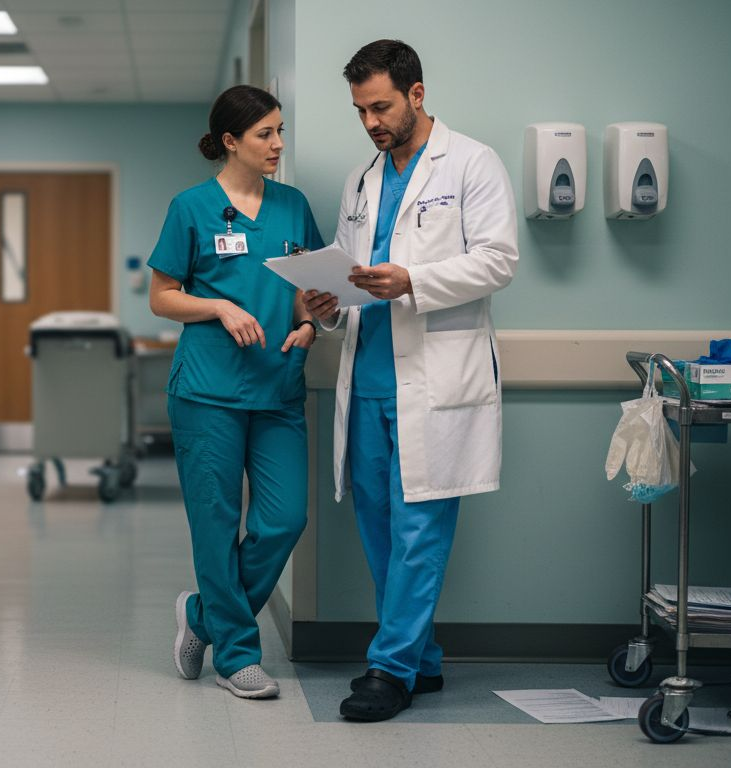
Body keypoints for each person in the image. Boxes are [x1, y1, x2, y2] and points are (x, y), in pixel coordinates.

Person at [302, 40, 518, 721]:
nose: (370, 121)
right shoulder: (361, 181)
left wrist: (414, 280)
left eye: (382, 106)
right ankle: (422, 659)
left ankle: (390, 669)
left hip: (436, 381)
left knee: (420, 527)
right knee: (379, 529)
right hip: (366, 378)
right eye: (360, 109)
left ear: (416, 95)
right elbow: (349, 269)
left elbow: (498, 261)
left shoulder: (473, 162)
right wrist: (327, 303)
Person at [149, 84, 325, 700]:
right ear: (231, 141)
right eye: (265, 134)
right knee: (217, 524)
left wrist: (308, 323)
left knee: (284, 519)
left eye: (280, 131)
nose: (278, 144)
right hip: (207, 392)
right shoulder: (191, 207)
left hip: (277, 385)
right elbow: (162, 295)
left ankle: (203, 618)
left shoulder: (293, 206)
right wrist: (219, 305)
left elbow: (310, 286)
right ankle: (238, 654)